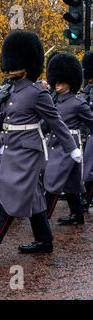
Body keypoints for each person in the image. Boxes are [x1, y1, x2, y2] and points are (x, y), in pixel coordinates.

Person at [0, 31, 80, 259]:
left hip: (29, 151)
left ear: (27, 65)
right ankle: (44, 240)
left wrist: (72, 148)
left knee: (13, 193)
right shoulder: (9, 91)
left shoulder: (37, 93)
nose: (10, 69)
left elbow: (56, 122)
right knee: (31, 196)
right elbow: (1, 122)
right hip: (13, 147)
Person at [43, 53, 93, 225]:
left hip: (68, 146)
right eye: (55, 82)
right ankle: (77, 215)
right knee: (72, 184)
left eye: (60, 82)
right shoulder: (55, 101)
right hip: (55, 143)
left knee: (52, 181)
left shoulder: (79, 103)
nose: (56, 85)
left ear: (70, 82)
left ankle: (43, 219)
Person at [81, 51, 93, 212]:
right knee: (89, 170)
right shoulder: (89, 90)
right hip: (90, 133)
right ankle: (85, 200)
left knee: (90, 170)